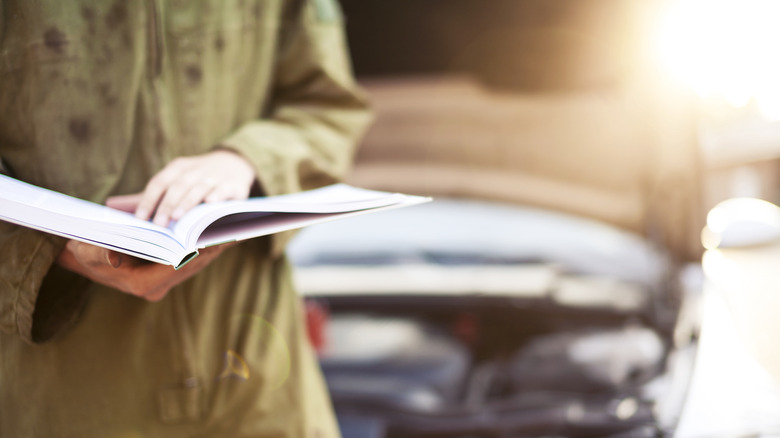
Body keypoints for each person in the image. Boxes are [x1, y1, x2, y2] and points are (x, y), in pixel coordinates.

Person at [0, 0, 371, 436]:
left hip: (267, 397)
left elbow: (328, 107)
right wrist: (49, 252)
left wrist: (246, 158)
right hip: (66, 402)